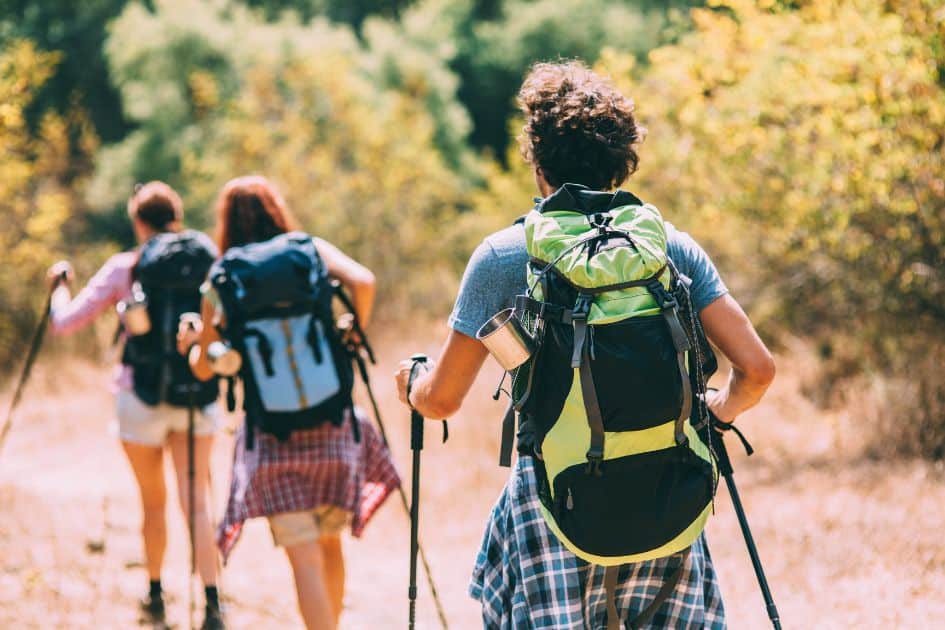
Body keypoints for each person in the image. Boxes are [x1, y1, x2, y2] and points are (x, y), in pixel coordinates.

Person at [394, 61, 777, 628]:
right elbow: (758, 369)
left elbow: (443, 400)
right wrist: (718, 411)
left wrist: (412, 386)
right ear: (622, 160)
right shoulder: (668, 248)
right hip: (667, 496)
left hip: (555, 502)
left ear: (538, 162)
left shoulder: (504, 255)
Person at [178, 175, 399, 630]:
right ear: (275, 210)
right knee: (331, 544)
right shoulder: (308, 249)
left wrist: (193, 346)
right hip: (332, 421)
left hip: (273, 434)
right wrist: (352, 332)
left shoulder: (222, 275)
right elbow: (364, 280)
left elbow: (204, 369)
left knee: (304, 560)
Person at [46, 182, 225, 629]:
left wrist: (58, 289)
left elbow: (65, 323)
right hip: (197, 394)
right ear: (177, 217)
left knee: (153, 503)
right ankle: (212, 603)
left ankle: (155, 594)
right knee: (197, 503)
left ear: (138, 221)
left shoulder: (127, 266)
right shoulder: (207, 260)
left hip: (140, 399)